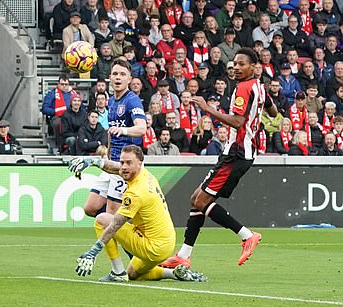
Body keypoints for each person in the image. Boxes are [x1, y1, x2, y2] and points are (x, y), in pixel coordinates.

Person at [162, 48, 277, 270]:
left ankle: (246, 235)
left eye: (242, 63)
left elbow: (236, 121)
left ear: (253, 67)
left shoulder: (244, 88)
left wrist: (207, 109)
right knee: (196, 198)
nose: (236, 67)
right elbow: (272, 112)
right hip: (240, 152)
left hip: (236, 153)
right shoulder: (260, 87)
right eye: (234, 63)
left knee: (200, 201)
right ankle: (184, 254)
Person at [74, 145, 207, 282]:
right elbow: (115, 168)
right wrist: (93, 161)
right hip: (167, 243)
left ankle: (117, 273)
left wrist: (93, 252)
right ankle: (173, 273)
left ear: (139, 163)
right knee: (132, 273)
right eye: (122, 162)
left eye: (128, 163)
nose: (124, 167)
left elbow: (115, 225)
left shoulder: (136, 193)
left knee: (102, 219)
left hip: (152, 246)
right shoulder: (144, 174)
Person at [68, 60, 148, 279]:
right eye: (115, 73)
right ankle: (128, 238)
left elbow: (142, 129)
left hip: (126, 168)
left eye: (123, 74)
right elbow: (113, 134)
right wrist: (106, 152)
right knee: (91, 208)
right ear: (110, 78)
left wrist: (124, 130)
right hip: (111, 164)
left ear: (130, 79)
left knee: (110, 218)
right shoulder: (112, 101)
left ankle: (119, 269)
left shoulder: (132, 101)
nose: (118, 77)